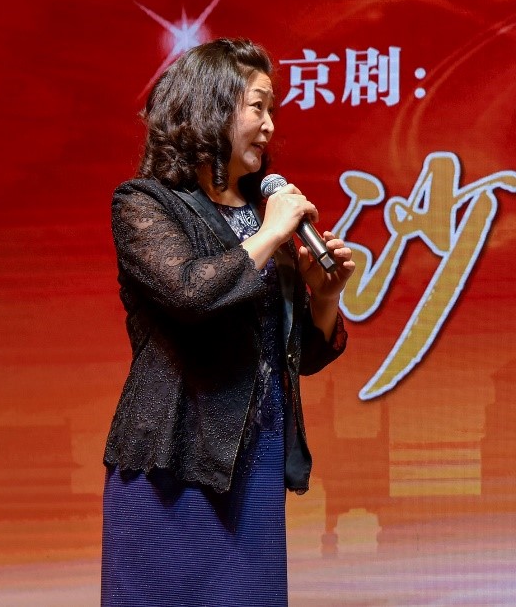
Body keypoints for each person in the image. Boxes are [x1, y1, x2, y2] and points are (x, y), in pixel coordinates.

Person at [101, 38, 356, 607]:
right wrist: (269, 235)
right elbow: (191, 292)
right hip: (172, 459)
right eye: (257, 107)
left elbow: (294, 354)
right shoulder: (145, 204)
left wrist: (324, 298)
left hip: (257, 456)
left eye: (272, 110)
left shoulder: (262, 221)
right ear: (211, 107)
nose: (270, 126)